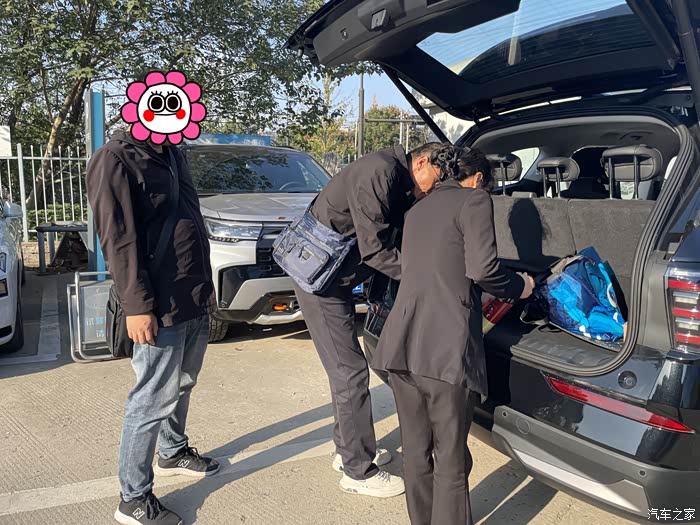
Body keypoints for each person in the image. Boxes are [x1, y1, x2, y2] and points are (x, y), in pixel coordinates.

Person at [372, 148, 535, 524]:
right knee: (450, 460)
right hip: (445, 348)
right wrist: (521, 287)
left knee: (416, 453)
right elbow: (483, 270)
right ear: (478, 179)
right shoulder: (474, 200)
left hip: (401, 345)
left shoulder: (417, 210)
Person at [293, 142, 456, 498]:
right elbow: (375, 250)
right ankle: (358, 471)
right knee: (350, 373)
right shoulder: (378, 171)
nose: (432, 190)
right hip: (319, 281)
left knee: (347, 371)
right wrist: (426, 279)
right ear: (422, 161)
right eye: (435, 180)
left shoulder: (398, 179)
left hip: (335, 276)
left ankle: (348, 449)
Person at [87, 129, 219, 525]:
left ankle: (173, 451)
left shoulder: (173, 153)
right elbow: (117, 239)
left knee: (184, 382)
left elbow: (189, 219)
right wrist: (136, 306)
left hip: (192, 293)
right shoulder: (115, 158)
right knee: (151, 398)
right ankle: (133, 498)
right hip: (156, 304)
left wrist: (206, 288)